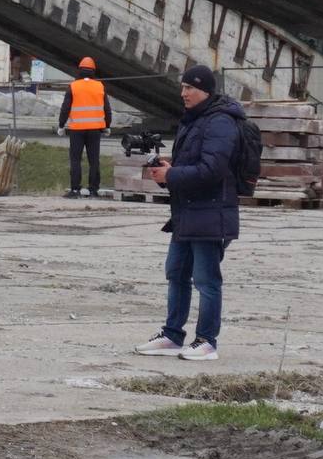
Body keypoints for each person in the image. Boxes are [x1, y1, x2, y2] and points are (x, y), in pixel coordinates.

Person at [136, 65, 244, 361]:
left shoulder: (220, 122)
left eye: (189, 88)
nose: (183, 93)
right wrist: (168, 166)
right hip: (187, 211)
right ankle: (172, 335)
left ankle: (207, 341)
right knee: (176, 273)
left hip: (211, 212)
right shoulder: (194, 119)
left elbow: (213, 170)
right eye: (182, 87)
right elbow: (193, 162)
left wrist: (171, 176)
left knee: (206, 279)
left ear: (205, 91)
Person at [58, 56, 111, 198]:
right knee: (94, 160)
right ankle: (93, 190)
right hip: (95, 130)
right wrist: (107, 126)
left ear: (80, 71)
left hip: (77, 129)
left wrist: (61, 125)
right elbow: (107, 108)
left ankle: (75, 190)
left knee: (76, 159)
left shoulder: (73, 86)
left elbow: (65, 108)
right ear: (93, 71)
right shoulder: (100, 86)